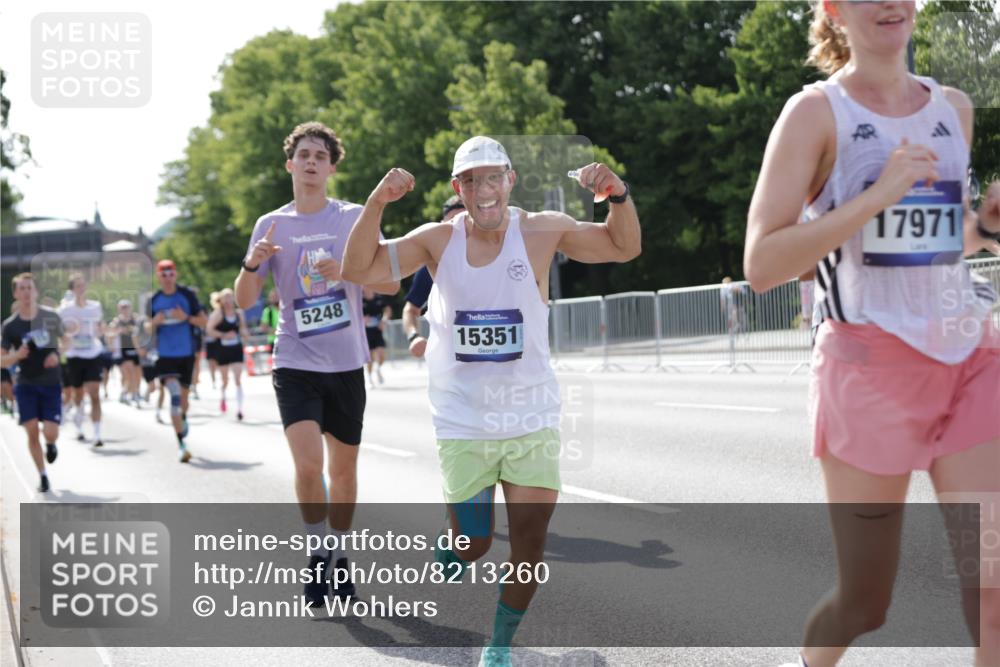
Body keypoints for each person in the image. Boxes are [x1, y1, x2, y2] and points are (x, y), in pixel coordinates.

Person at [743, 3, 1000, 666]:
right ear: (833, 9)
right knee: (866, 601)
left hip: (968, 357)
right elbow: (764, 264)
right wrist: (874, 195)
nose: (889, 3)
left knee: (994, 591)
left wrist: (987, 227)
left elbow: (940, 243)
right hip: (868, 373)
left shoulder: (953, 107)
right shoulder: (816, 113)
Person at [342, 135, 640, 667]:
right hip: (463, 421)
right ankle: (454, 547)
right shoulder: (438, 239)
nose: (484, 190)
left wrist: (619, 196)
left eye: (492, 177)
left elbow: (623, 247)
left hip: (531, 416)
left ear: (510, 180)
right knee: (476, 544)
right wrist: (376, 203)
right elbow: (359, 269)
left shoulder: (542, 229)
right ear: (459, 187)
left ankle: (499, 645)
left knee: (529, 545)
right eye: (471, 180)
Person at [234, 121, 399, 607]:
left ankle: (341, 555)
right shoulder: (271, 224)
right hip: (294, 359)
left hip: (346, 362)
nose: (310, 162)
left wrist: (349, 270)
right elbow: (246, 300)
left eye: (319, 156)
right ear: (290, 164)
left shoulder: (351, 217)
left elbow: (388, 282)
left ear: (331, 167)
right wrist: (251, 263)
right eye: (303, 154)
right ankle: (317, 550)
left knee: (343, 473)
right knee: (309, 467)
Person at [1, 273, 65, 492]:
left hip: (50, 382)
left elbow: (66, 341)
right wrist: (16, 355)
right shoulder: (10, 326)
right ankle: (43, 475)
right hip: (26, 383)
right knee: (31, 430)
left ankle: (51, 443)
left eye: (30, 288)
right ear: (15, 293)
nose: (27, 292)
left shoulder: (51, 317)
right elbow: (2, 360)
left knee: (50, 431)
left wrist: (57, 354)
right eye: (22, 288)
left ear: (36, 291)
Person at [148, 259, 207, 462]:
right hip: (164, 356)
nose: (167, 277)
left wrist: (186, 317)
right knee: (173, 396)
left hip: (186, 353)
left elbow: (204, 321)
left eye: (170, 273)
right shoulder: (153, 300)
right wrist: (154, 323)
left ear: (176, 274)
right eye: (163, 274)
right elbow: (143, 330)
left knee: (183, 399)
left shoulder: (187, 295)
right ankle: (181, 444)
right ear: (158, 276)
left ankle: (182, 417)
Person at [402, 195, 466, 358]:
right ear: (442, 225)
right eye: (453, 222)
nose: (460, 228)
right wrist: (414, 336)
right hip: (451, 358)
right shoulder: (433, 265)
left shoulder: (499, 255)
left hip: (498, 357)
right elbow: (410, 309)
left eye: (465, 221)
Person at [58, 273, 106, 447]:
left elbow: (100, 329)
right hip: (74, 355)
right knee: (78, 394)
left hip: (92, 353)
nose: (81, 288)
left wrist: (101, 330)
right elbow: (60, 333)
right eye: (77, 286)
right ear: (72, 289)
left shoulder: (95, 307)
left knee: (94, 393)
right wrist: (69, 331)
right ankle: (78, 419)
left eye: (82, 285)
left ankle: (97, 434)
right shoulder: (64, 310)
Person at [206, 288, 249, 420]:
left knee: (238, 378)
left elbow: (242, 328)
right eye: (227, 297)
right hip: (222, 350)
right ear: (222, 300)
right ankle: (223, 396)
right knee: (225, 380)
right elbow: (209, 330)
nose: (229, 300)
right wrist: (224, 335)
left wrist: (245, 335)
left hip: (236, 348)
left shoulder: (239, 314)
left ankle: (240, 409)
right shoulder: (218, 314)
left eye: (231, 297)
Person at [109, 299, 142, 406]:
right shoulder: (117, 321)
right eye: (123, 307)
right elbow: (109, 335)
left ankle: (127, 392)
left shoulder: (136, 319)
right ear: (119, 309)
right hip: (123, 350)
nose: (125, 309)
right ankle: (134, 394)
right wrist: (118, 332)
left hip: (135, 349)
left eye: (127, 307)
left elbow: (142, 330)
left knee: (137, 373)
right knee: (129, 373)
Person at [361, 287, 392, 388]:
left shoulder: (379, 298)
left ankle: (378, 369)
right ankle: (369, 379)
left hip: (378, 330)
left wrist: (384, 320)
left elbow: (387, 310)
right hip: (366, 332)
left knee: (381, 353)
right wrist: (361, 320)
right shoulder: (359, 299)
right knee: (369, 357)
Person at [204, 291, 222, 390]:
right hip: (210, 342)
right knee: (211, 363)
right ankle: (213, 381)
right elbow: (207, 329)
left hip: (218, 342)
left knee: (219, 362)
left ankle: (221, 378)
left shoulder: (223, 314)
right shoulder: (212, 314)